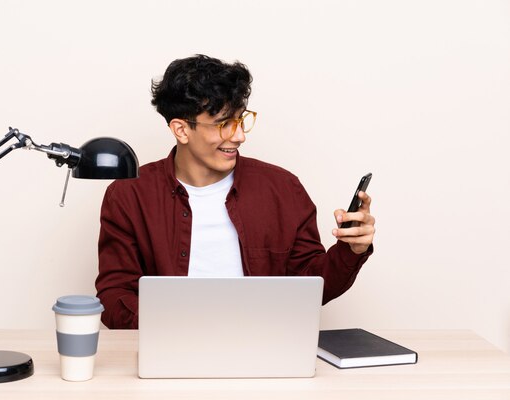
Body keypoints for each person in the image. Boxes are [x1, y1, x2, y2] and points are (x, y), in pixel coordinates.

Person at [95, 55, 375, 329]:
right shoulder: (129, 195)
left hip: (265, 350)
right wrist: (173, 328)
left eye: (241, 120)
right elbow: (114, 294)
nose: (239, 136)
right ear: (181, 130)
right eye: (223, 124)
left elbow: (311, 287)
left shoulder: (282, 188)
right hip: (171, 352)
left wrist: (352, 250)